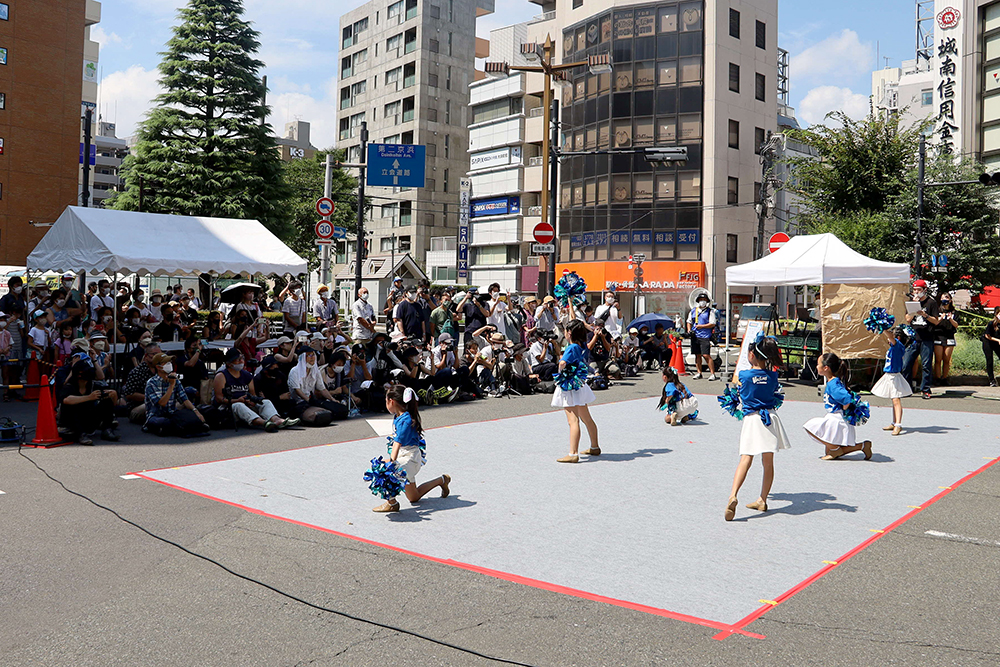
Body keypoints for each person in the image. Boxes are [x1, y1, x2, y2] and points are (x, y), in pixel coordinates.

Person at [725, 334, 790, 521]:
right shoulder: (772, 376)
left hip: (752, 419)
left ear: (752, 355)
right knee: (768, 462)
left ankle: (733, 495)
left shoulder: (744, 375)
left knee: (745, 459)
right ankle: (762, 499)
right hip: (770, 417)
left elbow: (740, 393)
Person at [372, 385, 451, 513]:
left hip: (410, 458)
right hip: (406, 456)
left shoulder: (406, 420)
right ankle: (442, 480)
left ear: (391, 401)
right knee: (414, 497)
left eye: (386, 400)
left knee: (384, 472)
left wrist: (391, 462)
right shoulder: (399, 416)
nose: (385, 403)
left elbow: (397, 442)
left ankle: (392, 503)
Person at [803, 353, 873, 461]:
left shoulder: (833, 384)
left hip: (836, 419)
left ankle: (837, 449)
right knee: (830, 451)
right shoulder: (833, 382)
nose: (816, 366)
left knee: (809, 427)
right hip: (833, 417)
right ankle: (862, 446)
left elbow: (846, 397)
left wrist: (845, 408)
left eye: (818, 364)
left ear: (826, 368)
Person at [551, 321, 600, 463]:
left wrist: (560, 372)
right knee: (586, 417)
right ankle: (594, 446)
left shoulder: (571, 347)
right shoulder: (582, 345)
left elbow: (562, 362)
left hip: (569, 384)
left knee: (573, 420)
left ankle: (573, 453)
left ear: (569, 333)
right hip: (579, 384)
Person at [214, 348, 296, 431]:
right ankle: (263, 423)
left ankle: (277, 420)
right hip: (228, 407)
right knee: (238, 405)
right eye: (237, 360)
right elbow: (219, 399)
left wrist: (252, 401)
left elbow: (253, 394)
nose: (241, 362)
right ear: (229, 363)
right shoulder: (221, 376)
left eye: (242, 359)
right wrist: (236, 400)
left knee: (265, 402)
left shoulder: (247, 375)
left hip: (245, 404)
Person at [144, 352, 209, 436]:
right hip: (156, 415)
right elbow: (162, 403)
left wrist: (196, 412)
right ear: (158, 367)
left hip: (172, 413)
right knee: (162, 422)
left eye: (169, 362)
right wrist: (171, 385)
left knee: (187, 416)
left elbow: (184, 398)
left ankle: (185, 427)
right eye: (166, 363)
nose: (169, 364)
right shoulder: (151, 383)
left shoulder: (175, 379)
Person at [59, 360, 120, 445]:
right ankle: (80, 434)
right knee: (73, 404)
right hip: (72, 424)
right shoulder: (69, 386)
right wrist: (89, 397)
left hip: (89, 420)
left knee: (107, 400)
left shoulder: (93, 385)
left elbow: (111, 399)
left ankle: (107, 429)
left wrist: (112, 395)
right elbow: (66, 400)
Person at [902, 279, 940, 399]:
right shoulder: (910, 302)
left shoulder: (931, 303)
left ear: (924, 290)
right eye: (915, 290)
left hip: (927, 338)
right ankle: (907, 388)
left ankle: (926, 390)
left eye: (919, 290)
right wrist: (913, 308)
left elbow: (936, 321)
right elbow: (907, 319)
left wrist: (925, 315)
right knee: (906, 363)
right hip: (913, 338)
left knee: (926, 364)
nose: (916, 292)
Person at [871, 326, 912, 436]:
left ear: (897, 337)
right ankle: (894, 423)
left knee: (896, 400)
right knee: (893, 400)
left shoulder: (897, 346)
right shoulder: (893, 348)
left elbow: (890, 336)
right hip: (888, 376)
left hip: (894, 376)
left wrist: (882, 327)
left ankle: (898, 425)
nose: (888, 339)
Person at [289, 347, 349, 420]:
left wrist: (332, 399)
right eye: (309, 355)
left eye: (313, 355)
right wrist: (308, 400)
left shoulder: (315, 370)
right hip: (299, 402)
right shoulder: (294, 371)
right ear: (303, 357)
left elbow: (322, 389)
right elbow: (297, 390)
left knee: (342, 409)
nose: (312, 358)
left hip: (312, 401)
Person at [122, 342, 162, 423]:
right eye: (154, 354)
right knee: (157, 406)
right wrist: (152, 398)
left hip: (162, 401)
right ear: (146, 356)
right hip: (139, 406)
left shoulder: (162, 370)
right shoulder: (137, 372)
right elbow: (129, 394)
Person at [687, 294, 718, 380]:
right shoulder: (693, 311)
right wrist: (689, 330)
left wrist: (702, 326)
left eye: (704, 299)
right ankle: (699, 372)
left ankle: (712, 373)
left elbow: (712, 323)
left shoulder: (710, 311)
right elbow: (689, 321)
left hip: (705, 336)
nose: (702, 301)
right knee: (697, 355)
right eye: (701, 299)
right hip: (695, 336)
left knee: (706, 355)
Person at [933, 292, 958, 385]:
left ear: (950, 300)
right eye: (943, 297)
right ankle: (938, 378)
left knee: (947, 359)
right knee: (938, 359)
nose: (945, 299)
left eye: (947, 297)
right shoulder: (937, 310)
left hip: (949, 336)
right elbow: (934, 322)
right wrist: (941, 318)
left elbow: (956, 325)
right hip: (938, 336)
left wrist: (951, 318)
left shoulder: (954, 312)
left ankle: (945, 378)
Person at [982, 306, 1000, 388]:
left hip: (997, 342)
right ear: (996, 314)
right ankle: (992, 380)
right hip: (988, 341)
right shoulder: (991, 323)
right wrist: (997, 340)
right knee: (989, 360)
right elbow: (987, 335)